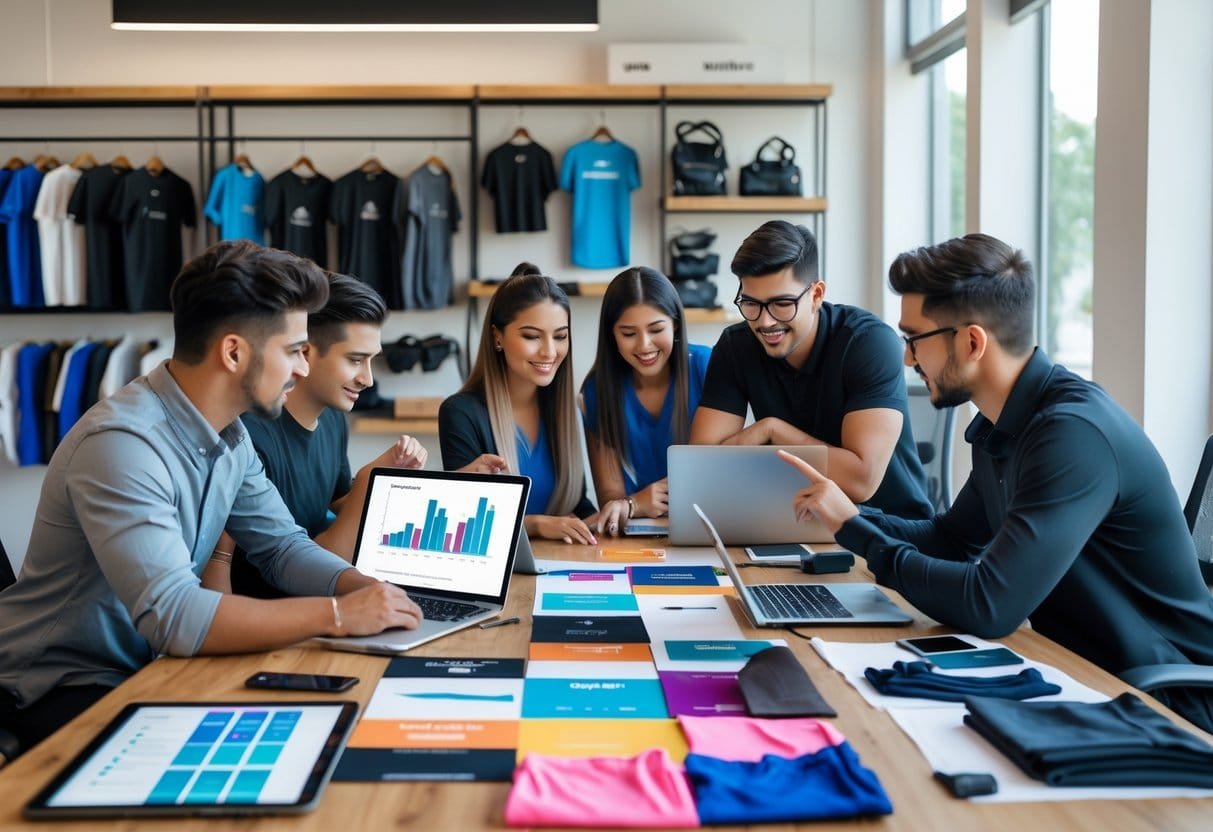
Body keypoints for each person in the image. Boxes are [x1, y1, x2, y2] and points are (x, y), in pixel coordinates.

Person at [0, 241, 423, 754]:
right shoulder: (122, 445)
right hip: (56, 685)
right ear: (234, 352)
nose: (304, 369)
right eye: (293, 351)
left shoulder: (229, 437)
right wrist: (339, 614)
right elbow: (173, 614)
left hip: (148, 667)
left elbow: (282, 547)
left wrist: (371, 590)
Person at [781, 233, 1213, 733]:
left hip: (1167, 706)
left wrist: (857, 531)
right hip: (1084, 681)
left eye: (914, 338)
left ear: (971, 342)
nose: (905, 359)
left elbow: (989, 605)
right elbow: (952, 540)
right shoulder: (1000, 424)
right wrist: (845, 518)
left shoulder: (1072, 435)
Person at [201, 272, 428, 599]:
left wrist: (387, 477)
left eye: (371, 361)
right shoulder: (248, 437)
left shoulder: (333, 419)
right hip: (275, 609)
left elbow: (338, 506)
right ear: (304, 353)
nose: (367, 379)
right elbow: (310, 565)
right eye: (355, 360)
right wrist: (369, 484)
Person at [690, 220, 932, 520]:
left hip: (886, 528)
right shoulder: (735, 346)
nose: (764, 322)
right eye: (751, 303)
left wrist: (772, 430)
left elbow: (861, 481)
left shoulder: (869, 343)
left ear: (816, 295)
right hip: (788, 522)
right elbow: (701, 469)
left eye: (781, 303)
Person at [439, 262, 598, 545]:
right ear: (497, 336)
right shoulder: (460, 412)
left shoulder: (565, 410)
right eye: (532, 336)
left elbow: (577, 505)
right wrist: (536, 525)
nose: (550, 351)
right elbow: (464, 524)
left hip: (559, 565)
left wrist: (623, 510)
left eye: (560, 336)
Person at [581, 266, 711, 536]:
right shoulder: (597, 390)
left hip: (706, 528)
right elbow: (611, 501)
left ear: (675, 323)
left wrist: (638, 502)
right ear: (612, 335)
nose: (644, 345)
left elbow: (715, 471)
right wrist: (635, 502)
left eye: (656, 329)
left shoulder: (706, 366)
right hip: (636, 537)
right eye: (628, 333)